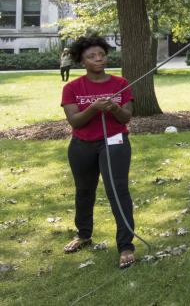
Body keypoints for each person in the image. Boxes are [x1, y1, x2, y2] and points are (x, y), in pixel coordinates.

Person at [60, 36, 136, 269]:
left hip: (114, 142)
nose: (98, 59)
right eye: (91, 56)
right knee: (84, 190)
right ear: (82, 61)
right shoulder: (72, 88)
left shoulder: (120, 83)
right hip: (82, 145)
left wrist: (113, 107)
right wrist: (93, 108)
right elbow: (75, 122)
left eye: (101, 54)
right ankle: (83, 234)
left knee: (118, 190)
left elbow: (126, 117)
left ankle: (126, 245)